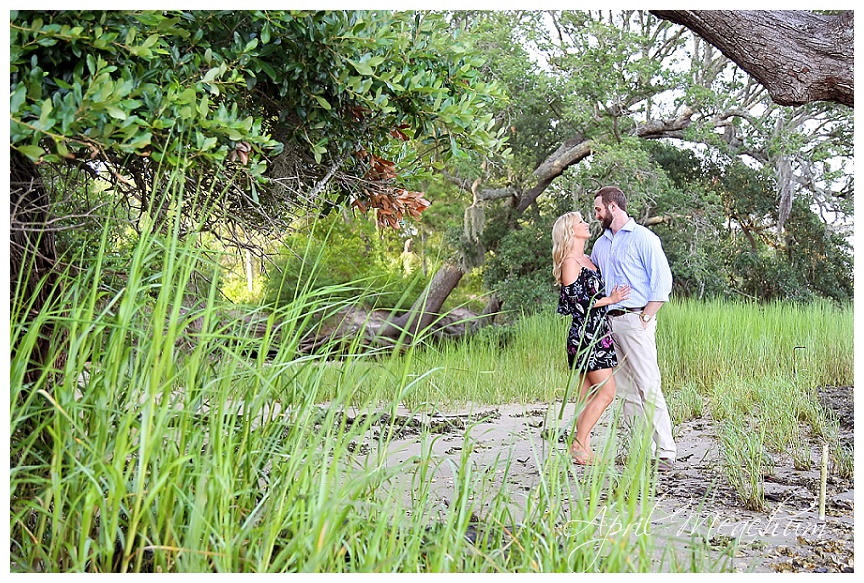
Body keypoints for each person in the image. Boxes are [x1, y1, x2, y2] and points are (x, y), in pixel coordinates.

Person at [590, 186, 676, 472]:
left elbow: (662, 283)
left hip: (636, 319)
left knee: (647, 384)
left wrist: (646, 318)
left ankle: (665, 451)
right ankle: (640, 450)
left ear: (613, 207)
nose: (597, 215)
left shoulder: (644, 239)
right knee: (624, 390)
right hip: (608, 321)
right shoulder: (600, 245)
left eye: (599, 209)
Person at [553, 211, 630, 466]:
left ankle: (582, 446)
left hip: (600, 329)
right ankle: (577, 444)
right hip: (585, 333)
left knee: (587, 393)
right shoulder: (570, 261)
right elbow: (575, 303)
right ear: (570, 231)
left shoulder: (587, 258)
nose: (586, 224)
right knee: (608, 391)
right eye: (580, 222)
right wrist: (610, 300)